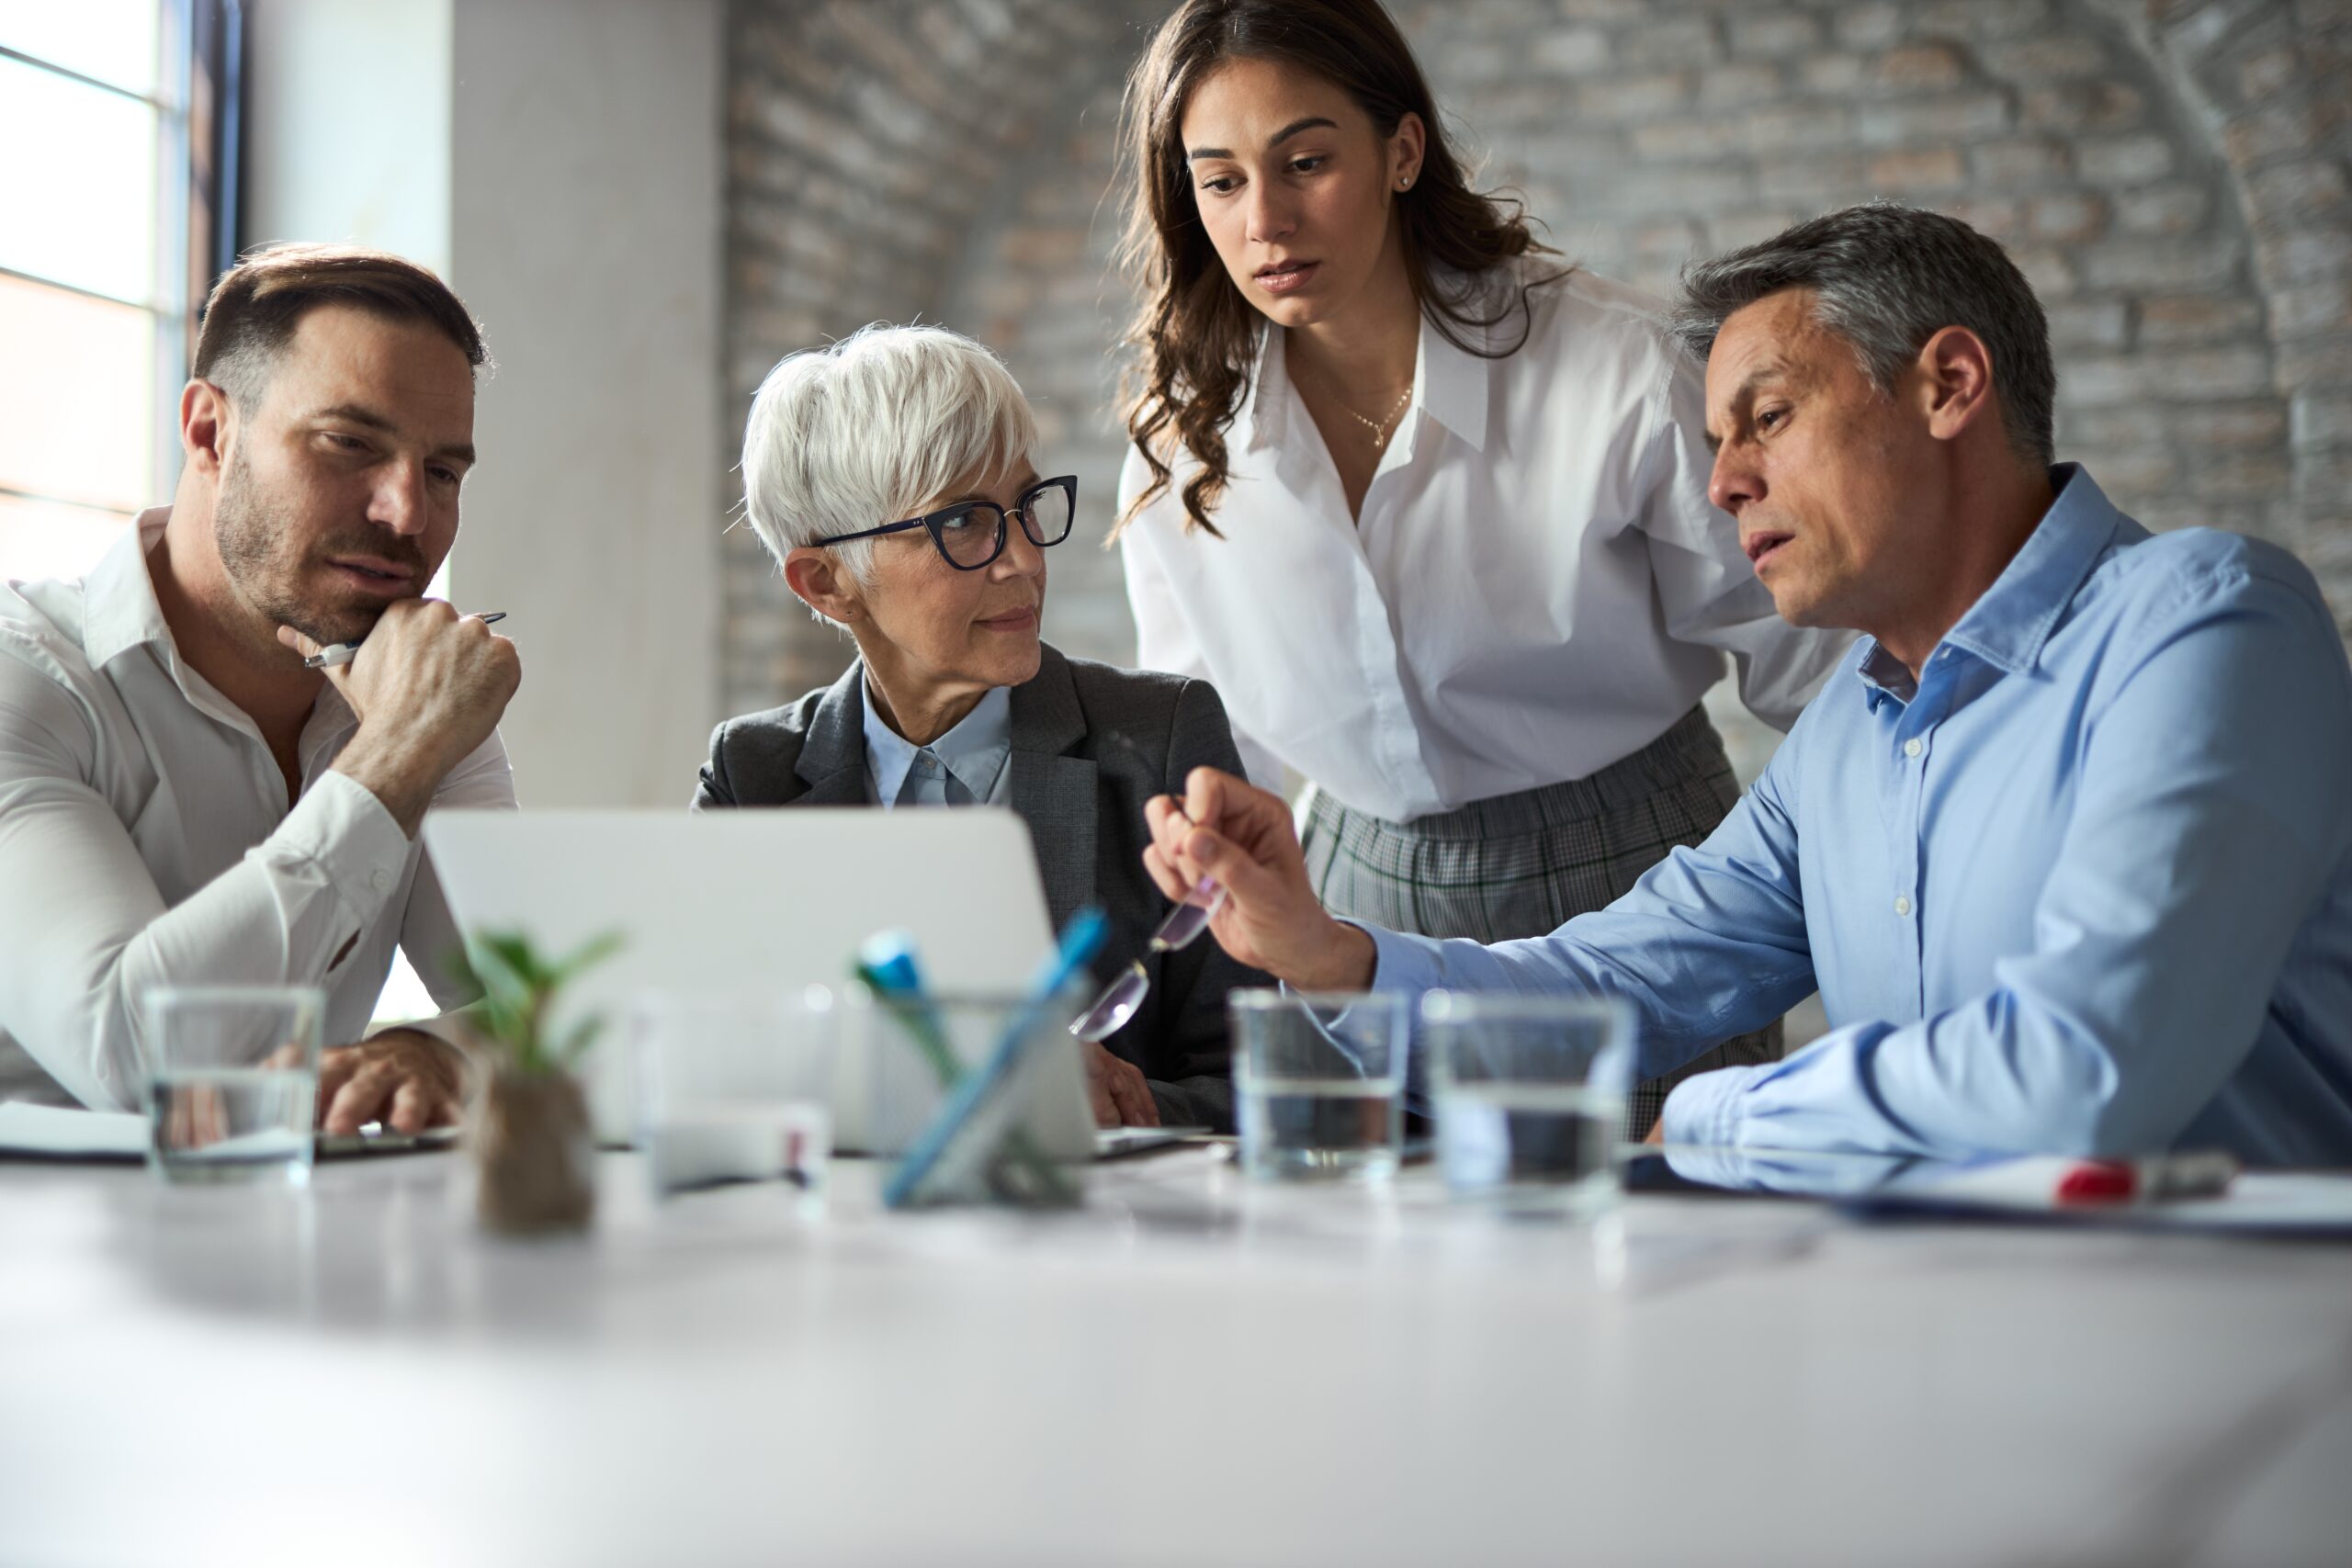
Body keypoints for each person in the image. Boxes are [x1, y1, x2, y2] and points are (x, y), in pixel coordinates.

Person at [1139, 203, 2352, 1166]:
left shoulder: (2207, 624)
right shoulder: (1846, 740)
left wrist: (1729, 1116)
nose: (1724, 483)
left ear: (1949, 383)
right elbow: (1607, 980)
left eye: (1765, 418)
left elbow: (2091, 1064)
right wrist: (1329, 951)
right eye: (1719, 438)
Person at [1111, 0, 1850, 1132]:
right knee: (1385, 1291)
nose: (1264, 220)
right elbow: (1210, 743)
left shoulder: (1612, 368)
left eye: (1305, 161)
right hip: (1349, 903)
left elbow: (1819, 667)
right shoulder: (1179, 446)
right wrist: (1196, 831)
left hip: (1635, 882)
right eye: (1218, 180)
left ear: (1402, 150)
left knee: (1656, 1276)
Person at [0, 243, 521, 1133]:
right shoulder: (29, 680)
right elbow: (139, 1061)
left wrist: (439, 1050)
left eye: (442, 472)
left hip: (296, 1240)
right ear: (209, 431)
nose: (408, 513)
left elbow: (548, 1006)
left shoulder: (417, 694)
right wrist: (393, 760)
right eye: (349, 443)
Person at [693, 324, 1262, 1131]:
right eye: (961, 521)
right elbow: (703, 1065)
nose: (1024, 558)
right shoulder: (751, 774)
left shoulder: (1159, 739)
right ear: (826, 582)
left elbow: (1258, 1078)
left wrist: (1113, 1103)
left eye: (1025, 505)